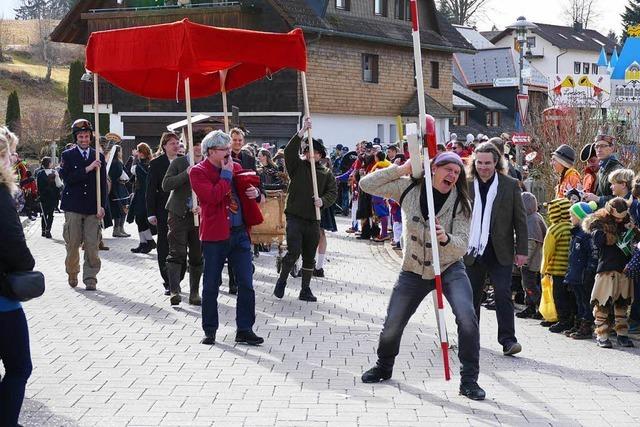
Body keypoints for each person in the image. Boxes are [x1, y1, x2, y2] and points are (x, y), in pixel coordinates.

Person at [359, 151, 485, 400]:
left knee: (468, 318)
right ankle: (384, 366)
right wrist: (403, 168)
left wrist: (445, 238)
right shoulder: (409, 189)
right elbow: (366, 184)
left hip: (449, 267)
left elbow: (462, 244)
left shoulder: (461, 202)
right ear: (434, 169)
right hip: (413, 270)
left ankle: (469, 380)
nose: (452, 174)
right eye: (447, 169)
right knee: (393, 323)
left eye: (457, 172)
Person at [189, 130, 264, 346]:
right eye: (224, 150)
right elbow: (211, 197)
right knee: (211, 284)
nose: (229, 154)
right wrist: (225, 175)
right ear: (211, 151)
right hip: (215, 236)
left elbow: (252, 190)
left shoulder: (236, 166)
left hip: (239, 232)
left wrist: (256, 194)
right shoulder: (198, 171)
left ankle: (244, 329)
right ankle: (210, 330)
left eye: (230, 150)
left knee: (246, 284)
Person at [464, 142, 527, 356]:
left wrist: (522, 250)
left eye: (488, 163)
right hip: (472, 251)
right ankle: (470, 339)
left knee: (502, 293)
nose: (483, 167)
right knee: (471, 297)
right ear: (474, 162)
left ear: (496, 163)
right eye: (479, 163)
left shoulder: (509, 185)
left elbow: (520, 220)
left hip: (501, 250)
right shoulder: (465, 183)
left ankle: (508, 341)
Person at [273, 118, 337, 302]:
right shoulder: (297, 166)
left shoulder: (326, 174)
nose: (312, 155)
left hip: (313, 220)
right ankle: (282, 281)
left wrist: (323, 201)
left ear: (320, 155)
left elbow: (332, 193)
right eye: (309, 151)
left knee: (309, 255)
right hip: (295, 217)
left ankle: (305, 289)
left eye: (315, 152)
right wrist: (302, 131)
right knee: (294, 251)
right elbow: (289, 152)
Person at [0, 126, 34, 426]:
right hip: (2, 302)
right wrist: (28, 262)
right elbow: (14, 246)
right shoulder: (1, 195)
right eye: (10, 153)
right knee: (19, 367)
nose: (14, 159)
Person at [59, 119, 107, 290]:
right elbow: (68, 179)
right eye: (81, 136)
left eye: (87, 136)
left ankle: (90, 277)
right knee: (72, 243)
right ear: (76, 138)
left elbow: (103, 184)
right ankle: (72, 272)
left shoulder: (98, 156)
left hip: (93, 206)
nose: (84, 139)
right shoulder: (67, 156)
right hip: (73, 206)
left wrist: (103, 206)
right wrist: (87, 168)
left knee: (92, 244)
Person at [583, 197, 635, 348]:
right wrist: (616, 232)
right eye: (617, 218)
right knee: (602, 303)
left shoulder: (627, 221)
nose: (620, 221)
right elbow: (600, 240)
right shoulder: (599, 222)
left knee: (622, 304)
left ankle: (622, 334)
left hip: (624, 268)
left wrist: (633, 229)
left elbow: (636, 240)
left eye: (622, 217)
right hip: (607, 269)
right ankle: (602, 334)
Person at [162, 136, 204, 306]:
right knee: (176, 253)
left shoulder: (208, 166)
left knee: (196, 255)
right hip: (178, 214)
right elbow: (166, 185)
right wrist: (186, 174)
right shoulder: (179, 163)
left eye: (201, 145)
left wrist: (202, 206)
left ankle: (194, 293)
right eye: (195, 144)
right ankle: (174, 291)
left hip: (198, 216)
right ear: (188, 146)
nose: (198, 148)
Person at [147, 132, 180, 295]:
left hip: (182, 209)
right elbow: (150, 190)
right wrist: (150, 212)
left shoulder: (185, 161)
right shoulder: (156, 164)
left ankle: (178, 278)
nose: (176, 145)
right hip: (163, 210)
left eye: (177, 142)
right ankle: (168, 280)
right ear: (164, 146)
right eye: (172, 143)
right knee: (164, 244)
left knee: (180, 245)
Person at [564, 201, 598, 339]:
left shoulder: (587, 235)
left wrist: (589, 270)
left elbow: (592, 254)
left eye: (572, 215)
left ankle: (586, 327)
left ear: (581, 217)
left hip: (584, 275)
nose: (570, 218)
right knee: (579, 300)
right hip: (576, 274)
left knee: (585, 301)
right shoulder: (576, 234)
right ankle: (578, 323)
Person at [540, 197, 574, 333]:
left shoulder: (554, 229)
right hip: (571, 270)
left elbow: (547, 251)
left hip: (557, 270)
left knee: (558, 296)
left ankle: (562, 320)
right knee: (570, 297)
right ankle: (571, 320)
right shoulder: (572, 227)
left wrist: (543, 268)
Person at [516, 192, 546, 319]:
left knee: (529, 285)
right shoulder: (535, 217)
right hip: (535, 260)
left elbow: (530, 244)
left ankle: (540, 307)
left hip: (531, 262)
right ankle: (530, 306)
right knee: (529, 284)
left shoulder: (532, 220)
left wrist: (524, 261)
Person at [128, 143, 157, 254]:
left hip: (142, 195)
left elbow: (132, 171)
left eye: (138, 152)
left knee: (140, 219)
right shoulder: (149, 163)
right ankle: (143, 242)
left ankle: (149, 241)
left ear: (141, 153)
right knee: (140, 219)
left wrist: (135, 158)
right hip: (141, 194)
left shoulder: (139, 165)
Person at [583, 134, 623, 206]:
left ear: (612, 148)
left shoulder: (618, 170)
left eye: (603, 146)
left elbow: (621, 199)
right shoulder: (601, 168)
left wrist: (598, 199)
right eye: (597, 146)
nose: (599, 149)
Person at [107, 145, 131, 238]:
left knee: (124, 208)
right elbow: (115, 175)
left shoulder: (117, 162)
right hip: (117, 188)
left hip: (120, 188)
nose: (122, 153)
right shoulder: (115, 162)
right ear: (117, 152)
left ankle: (121, 228)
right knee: (120, 209)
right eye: (120, 151)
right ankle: (117, 229)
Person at [36, 156, 63, 238]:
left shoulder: (39, 173)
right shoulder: (54, 173)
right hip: (52, 196)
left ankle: (43, 230)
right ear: (49, 164)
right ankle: (48, 230)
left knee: (43, 213)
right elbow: (59, 184)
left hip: (43, 196)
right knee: (50, 214)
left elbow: (38, 186)